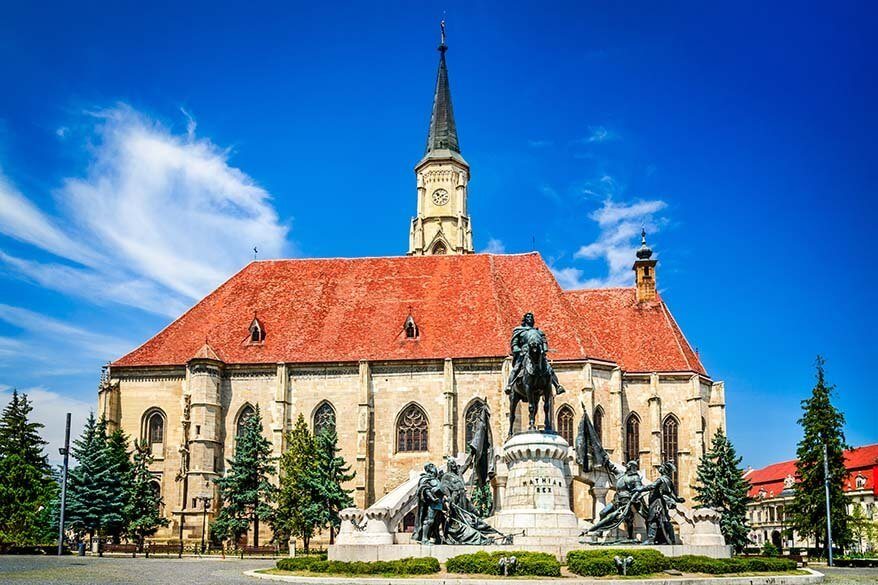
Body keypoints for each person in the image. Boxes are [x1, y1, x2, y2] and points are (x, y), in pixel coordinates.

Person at [504, 312, 565, 395]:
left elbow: (544, 342)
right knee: (516, 368)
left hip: (538, 353)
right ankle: (509, 385)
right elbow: (514, 344)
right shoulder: (519, 331)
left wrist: (544, 349)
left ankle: (557, 386)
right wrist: (518, 350)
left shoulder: (539, 332)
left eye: (532, 317)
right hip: (524, 353)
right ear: (525, 319)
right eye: (528, 317)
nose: (530, 319)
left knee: (548, 368)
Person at [587, 460, 645, 539]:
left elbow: (639, 488)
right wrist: (606, 460)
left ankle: (630, 537)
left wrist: (635, 495)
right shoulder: (621, 475)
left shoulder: (635, 477)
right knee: (603, 512)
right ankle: (600, 531)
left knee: (628, 519)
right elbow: (613, 468)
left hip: (627, 500)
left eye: (629, 465)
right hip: (617, 499)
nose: (627, 466)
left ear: (632, 467)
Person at [639, 461, 685, 545]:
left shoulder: (661, 479)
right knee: (665, 520)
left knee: (652, 519)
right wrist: (678, 500)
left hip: (657, 503)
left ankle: (651, 539)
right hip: (662, 503)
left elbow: (652, 486)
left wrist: (640, 489)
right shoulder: (669, 480)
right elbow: (674, 494)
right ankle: (670, 539)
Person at [412, 463, 445, 544]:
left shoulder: (436, 479)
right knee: (429, 520)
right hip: (432, 503)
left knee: (437, 522)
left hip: (439, 503)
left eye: (433, 466)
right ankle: (424, 539)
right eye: (431, 466)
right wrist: (433, 498)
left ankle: (437, 538)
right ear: (428, 469)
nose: (434, 467)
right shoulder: (425, 479)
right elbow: (425, 489)